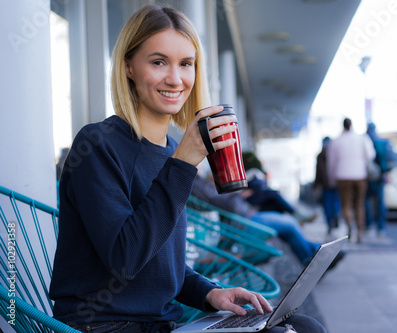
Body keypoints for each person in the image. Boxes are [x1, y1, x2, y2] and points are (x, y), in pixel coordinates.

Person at [49, 5, 326, 333]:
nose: (175, 79)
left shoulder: (169, 150)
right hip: (104, 325)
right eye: (158, 62)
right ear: (128, 67)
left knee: (303, 324)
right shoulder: (98, 145)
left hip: (159, 323)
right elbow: (125, 260)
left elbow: (161, 263)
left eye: (186, 64)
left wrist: (211, 293)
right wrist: (182, 163)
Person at [191, 173, 331, 267]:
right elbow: (229, 206)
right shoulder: (195, 183)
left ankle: (316, 254)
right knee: (289, 224)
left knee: (288, 223)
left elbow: (225, 203)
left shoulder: (197, 182)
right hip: (241, 223)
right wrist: (237, 191)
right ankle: (315, 256)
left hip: (245, 218)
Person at [326, 118, 375, 243]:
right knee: (359, 203)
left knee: (346, 204)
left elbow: (331, 162)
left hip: (342, 176)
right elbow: (370, 155)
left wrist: (331, 178)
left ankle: (349, 228)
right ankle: (360, 232)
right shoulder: (362, 139)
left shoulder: (336, 141)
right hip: (360, 175)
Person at [365, 122, 395, 237]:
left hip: (368, 176)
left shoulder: (366, 140)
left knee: (366, 201)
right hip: (380, 175)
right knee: (380, 201)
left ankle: (368, 224)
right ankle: (380, 227)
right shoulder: (382, 142)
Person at [313, 137, 341, 235]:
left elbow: (318, 172)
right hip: (336, 182)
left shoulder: (320, 156)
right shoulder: (335, 154)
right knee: (336, 202)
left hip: (325, 184)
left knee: (327, 205)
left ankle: (330, 222)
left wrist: (315, 185)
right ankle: (336, 215)